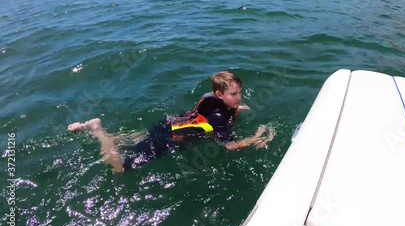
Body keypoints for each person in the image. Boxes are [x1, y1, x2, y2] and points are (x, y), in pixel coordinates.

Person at [68, 71, 275, 172]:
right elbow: (230, 146)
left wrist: (237, 107)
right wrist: (256, 137)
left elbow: (213, 111)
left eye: (240, 92)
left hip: (167, 124)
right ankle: (97, 130)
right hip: (169, 139)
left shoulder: (211, 98)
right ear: (220, 95)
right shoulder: (220, 119)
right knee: (120, 167)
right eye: (234, 94)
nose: (239, 97)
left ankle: (96, 130)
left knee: (131, 142)